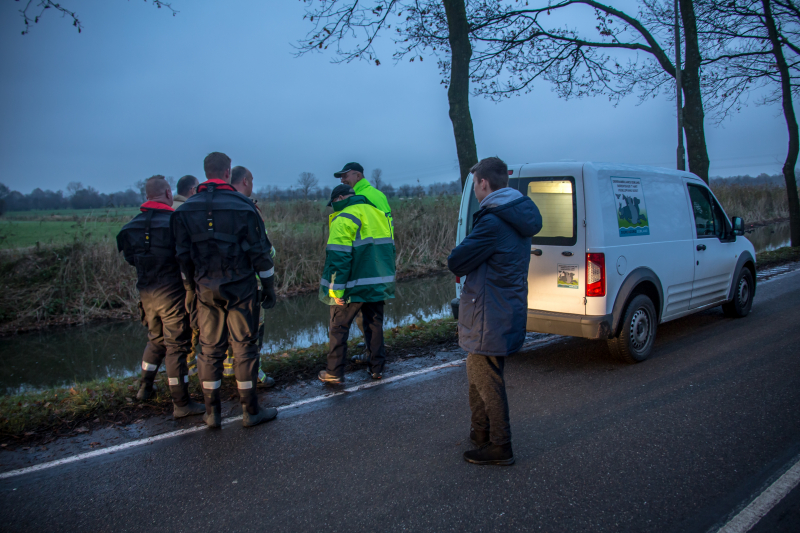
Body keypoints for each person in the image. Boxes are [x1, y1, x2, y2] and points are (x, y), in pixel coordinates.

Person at [447, 157, 542, 466]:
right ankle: (481, 431)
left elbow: (457, 262)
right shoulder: (517, 214)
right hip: (504, 307)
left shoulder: (492, 221)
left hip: (488, 313)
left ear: (483, 183)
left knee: (486, 377)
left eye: (475, 184)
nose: (475, 190)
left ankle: (501, 445)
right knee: (478, 369)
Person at [172, 152, 278, 428]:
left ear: (206, 171)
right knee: (244, 347)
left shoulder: (185, 210)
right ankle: (250, 411)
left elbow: (182, 258)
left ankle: (212, 413)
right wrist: (269, 287)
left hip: (205, 288)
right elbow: (261, 254)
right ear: (228, 172)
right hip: (240, 287)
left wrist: (190, 290)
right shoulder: (243, 206)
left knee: (209, 350)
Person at [116, 175, 205, 419]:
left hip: (146, 294)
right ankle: (181, 403)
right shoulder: (174, 222)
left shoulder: (130, 227)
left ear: (146, 196)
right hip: (173, 294)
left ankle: (145, 388)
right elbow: (188, 257)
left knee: (155, 339)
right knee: (177, 346)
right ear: (168, 194)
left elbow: (130, 258)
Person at [318, 184, 395, 384]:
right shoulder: (379, 214)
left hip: (352, 285)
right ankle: (377, 368)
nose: (333, 207)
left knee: (338, 327)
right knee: (374, 325)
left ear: (339, 198)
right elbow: (388, 250)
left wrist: (336, 290)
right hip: (377, 282)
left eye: (333, 203)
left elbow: (339, 257)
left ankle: (334, 372)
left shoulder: (344, 217)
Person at [333, 162, 393, 363]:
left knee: (365, 312)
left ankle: (372, 352)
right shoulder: (372, 194)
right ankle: (373, 352)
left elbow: (379, 230)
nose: (342, 180)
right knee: (371, 312)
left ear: (358, 175)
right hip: (374, 260)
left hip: (366, 262)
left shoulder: (365, 196)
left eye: (345, 176)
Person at [228, 165, 274, 386]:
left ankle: (228, 368)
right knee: (252, 330)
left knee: (224, 329)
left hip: (213, 283)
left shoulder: (212, 206)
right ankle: (254, 373)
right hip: (247, 282)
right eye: (252, 180)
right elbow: (263, 250)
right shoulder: (247, 208)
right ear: (245, 181)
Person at [172, 174, 200, 376]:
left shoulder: (169, 209)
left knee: (176, 325)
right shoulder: (188, 212)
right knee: (192, 321)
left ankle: (181, 367)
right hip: (188, 279)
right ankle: (189, 367)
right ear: (192, 190)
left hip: (168, 282)